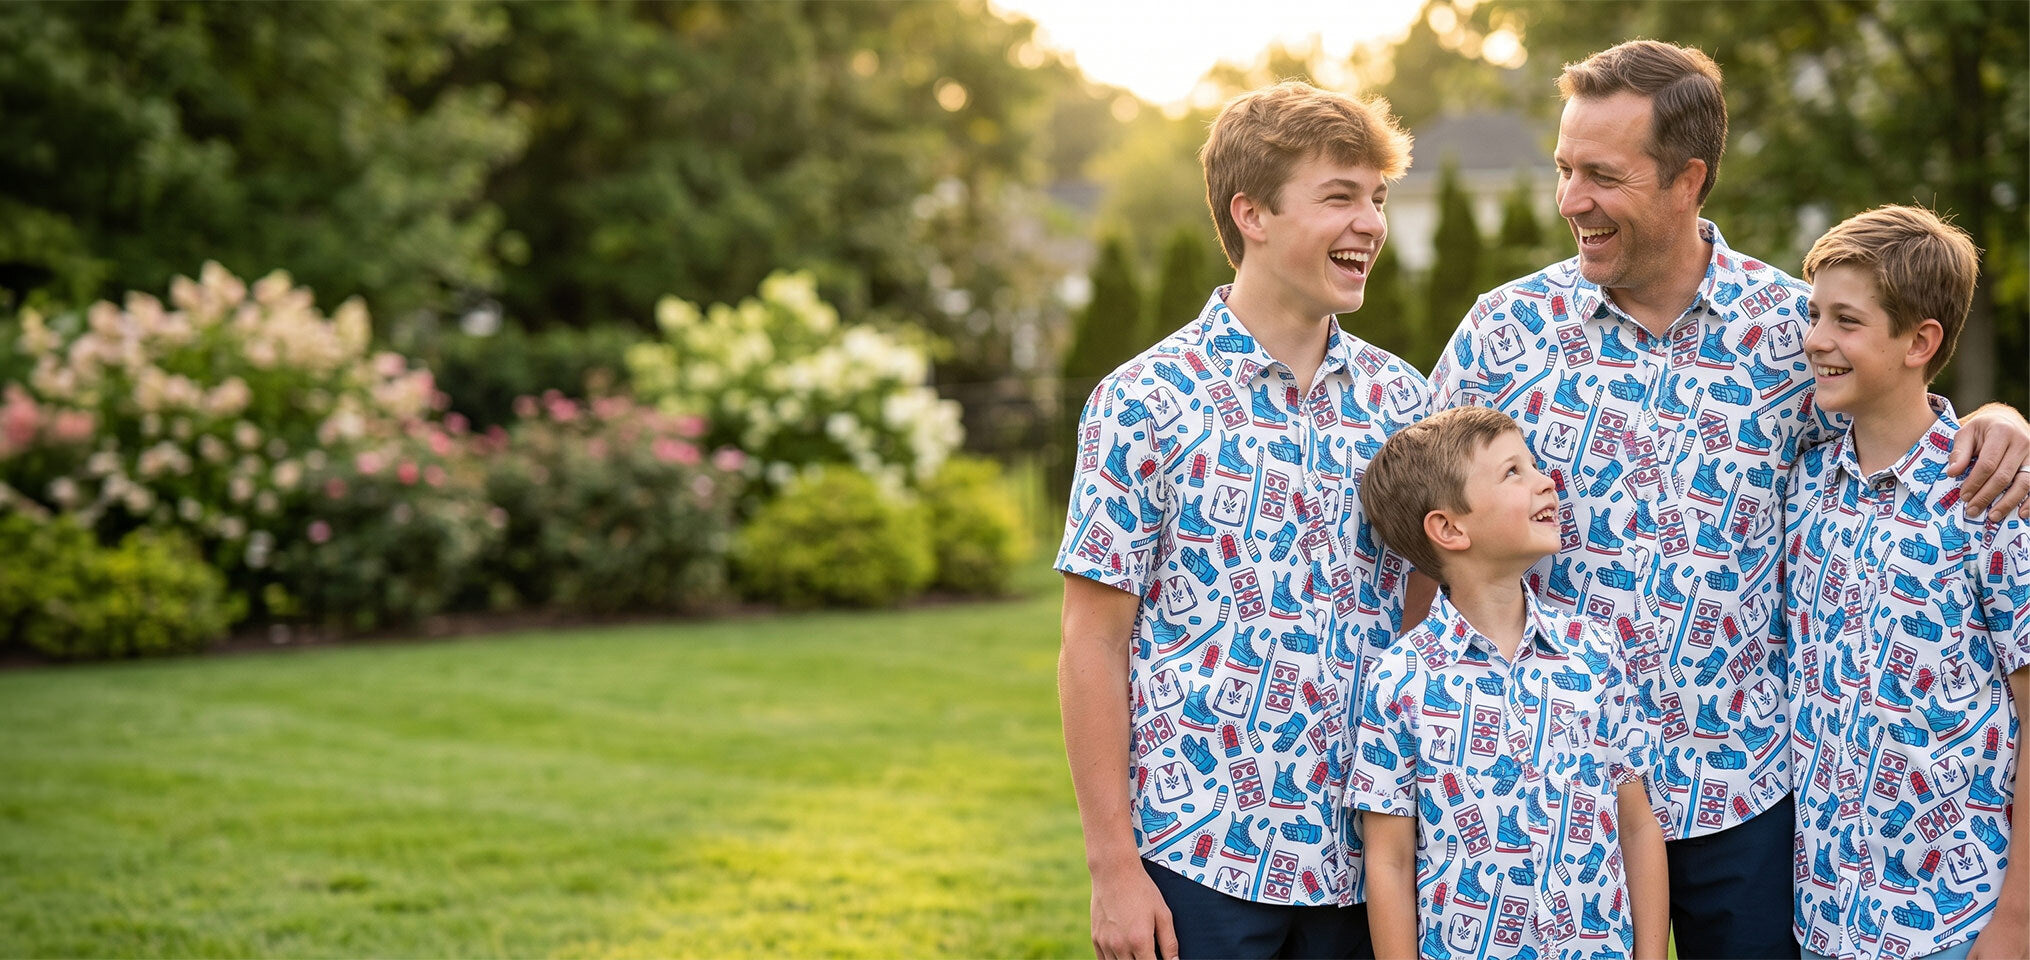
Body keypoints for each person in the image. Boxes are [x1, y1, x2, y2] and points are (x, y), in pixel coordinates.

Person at [1425, 40, 2030, 958]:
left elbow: (1896, 432)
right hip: (1558, 792)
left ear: (1687, 179)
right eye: (1563, 169)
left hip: (1749, 797)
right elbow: (1428, 541)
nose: (1570, 200)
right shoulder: (1502, 335)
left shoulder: (1795, 331)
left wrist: (2000, 417)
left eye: (1602, 175)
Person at [1056, 80, 1436, 960]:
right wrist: (1113, 867)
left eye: (1377, 198)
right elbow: (1092, 644)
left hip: (1365, 859)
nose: (1372, 224)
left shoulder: (1405, 403)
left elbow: (1427, 618)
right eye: (1340, 196)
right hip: (1197, 857)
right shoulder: (1143, 403)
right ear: (1252, 214)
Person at [1779, 204, 2026, 960]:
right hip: (1824, 922)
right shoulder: (1803, 487)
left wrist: (2015, 921)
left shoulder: (1991, 498)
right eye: (1815, 313)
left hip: (1955, 924)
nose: (1816, 339)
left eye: (1846, 321)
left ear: (1921, 342)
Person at [1352, 405, 1669, 960]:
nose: (1546, 481)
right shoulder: (1401, 680)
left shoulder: (1594, 654)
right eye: (1512, 472)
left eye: (1533, 465)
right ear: (1450, 528)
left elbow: (1638, 826)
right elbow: (1389, 859)